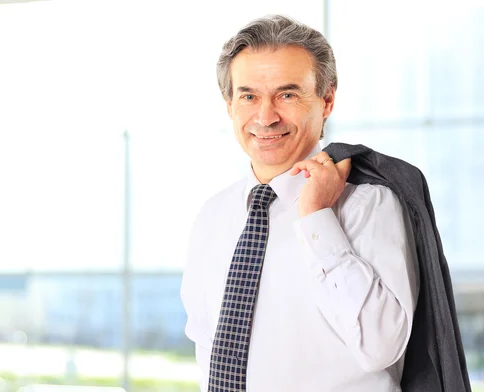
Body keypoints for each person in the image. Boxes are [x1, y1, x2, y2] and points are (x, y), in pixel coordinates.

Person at [180, 15, 420, 391]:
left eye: (287, 94)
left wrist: (318, 217)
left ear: (327, 101)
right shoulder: (213, 216)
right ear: (229, 106)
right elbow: (205, 345)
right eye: (248, 96)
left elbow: (381, 347)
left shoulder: (368, 204)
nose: (265, 116)